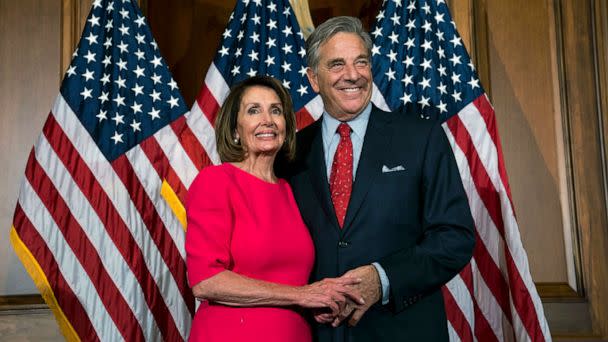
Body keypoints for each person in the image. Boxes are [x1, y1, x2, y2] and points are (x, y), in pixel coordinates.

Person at [283, 16, 476, 341]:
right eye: (337, 65)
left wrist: (383, 278)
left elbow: (454, 237)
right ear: (314, 79)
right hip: (319, 333)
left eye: (361, 62)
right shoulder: (292, 153)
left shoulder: (421, 138)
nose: (353, 75)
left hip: (402, 329)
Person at [185, 76, 364, 342]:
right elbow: (206, 281)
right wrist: (302, 295)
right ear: (235, 129)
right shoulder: (217, 181)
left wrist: (318, 302)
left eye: (276, 110)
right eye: (253, 110)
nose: (267, 119)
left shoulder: (290, 191)